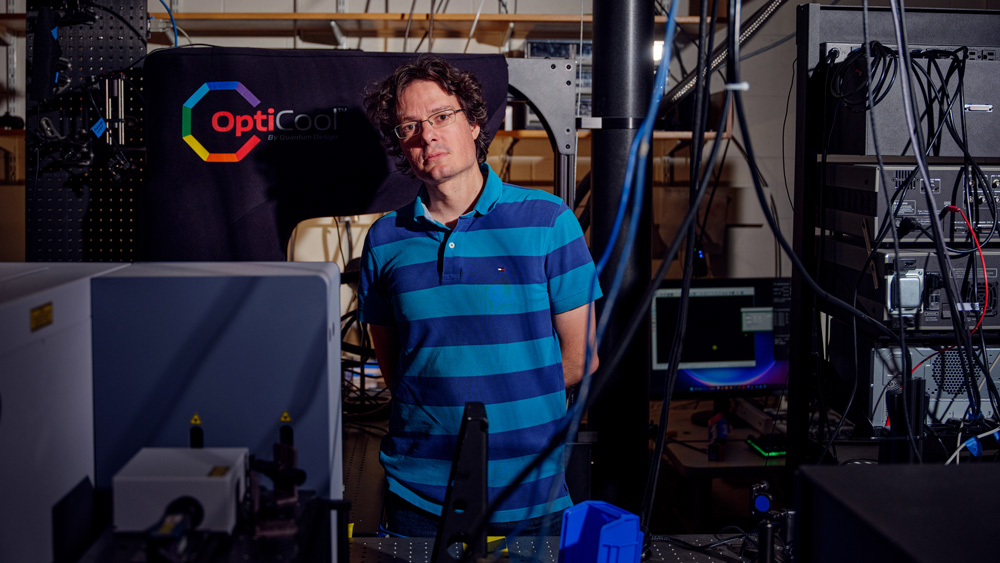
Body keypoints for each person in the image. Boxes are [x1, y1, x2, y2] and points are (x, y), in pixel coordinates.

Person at [359, 55, 601, 537]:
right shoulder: (385, 239)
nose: (427, 135)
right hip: (419, 497)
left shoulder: (549, 221)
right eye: (409, 126)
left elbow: (582, 358)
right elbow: (398, 368)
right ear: (400, 144)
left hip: (530, 494)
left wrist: (505, 400)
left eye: (441, 116)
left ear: (473, 123)